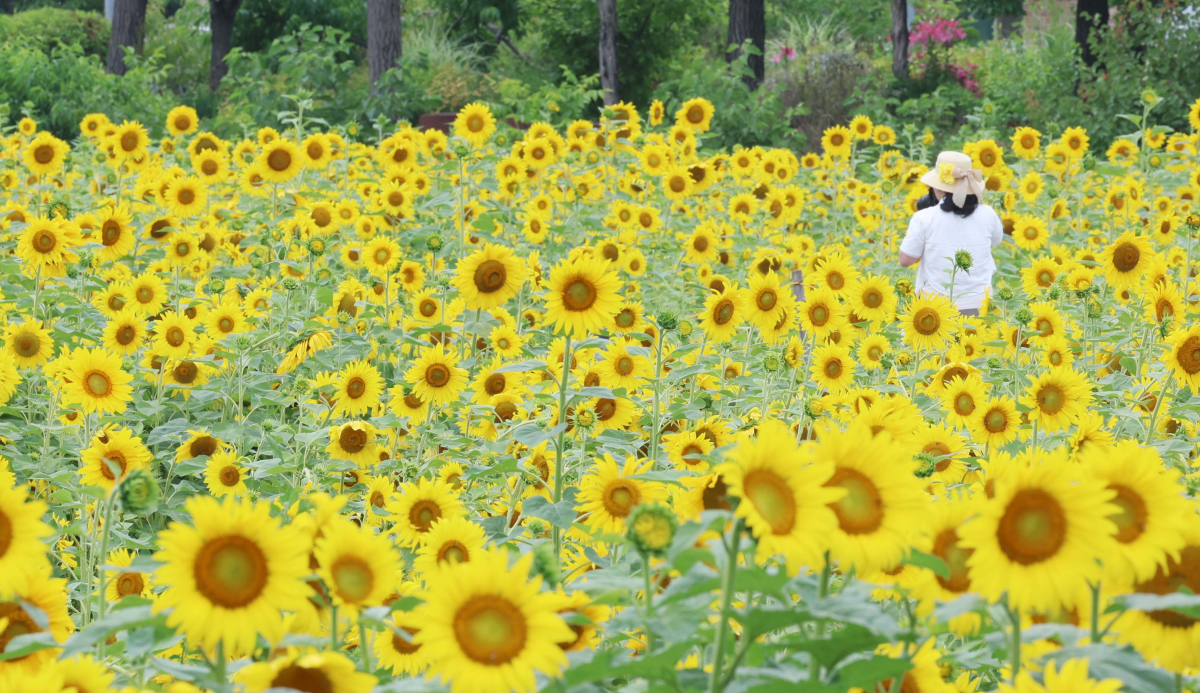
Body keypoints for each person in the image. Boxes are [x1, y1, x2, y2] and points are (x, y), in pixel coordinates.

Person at [898, 150, 1003, 316]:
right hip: (979, 307)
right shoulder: (988, 213)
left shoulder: (924, 217)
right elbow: (996, 241)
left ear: (938, 189)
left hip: (934, 311)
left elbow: (905, 260)